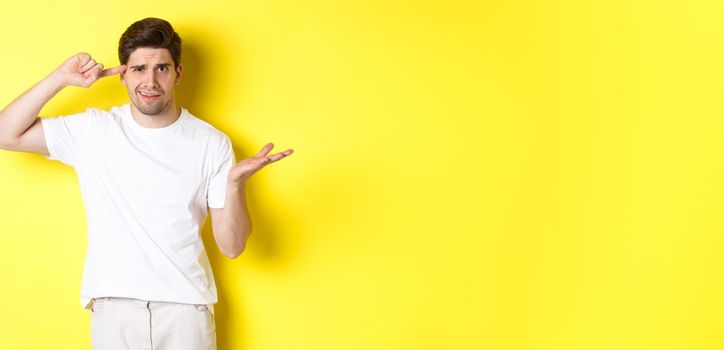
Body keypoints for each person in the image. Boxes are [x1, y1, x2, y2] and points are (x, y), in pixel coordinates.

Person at [0, 17, 292, 349]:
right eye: (139, 69)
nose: (150, 81)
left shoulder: (211, 143)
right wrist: (60, 79)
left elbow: (232, 246)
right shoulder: (93, 131)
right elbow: (5, 132)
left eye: (161, 69)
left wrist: (235, 186)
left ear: (178, 73)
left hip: (185, 314)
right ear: (123, 74)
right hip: (114, 312)